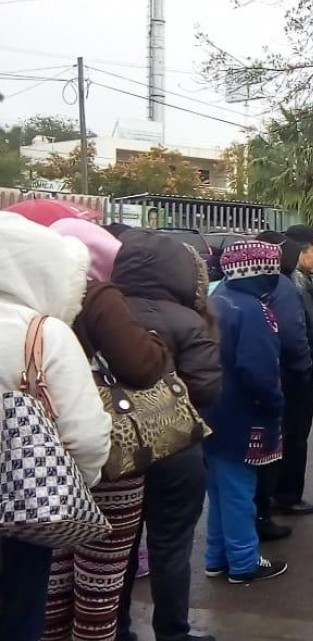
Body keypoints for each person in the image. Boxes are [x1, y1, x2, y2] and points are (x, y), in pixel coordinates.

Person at [39, 219, 169, 641]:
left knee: (54, 574)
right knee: (100, 578)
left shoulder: (28, 303)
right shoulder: (98, 295)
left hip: (39, 459)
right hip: (105, 456)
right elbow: (141, 365)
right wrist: (153, 339)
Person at [0, 213, 112, 641]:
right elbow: (85, 436)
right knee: (19, 612)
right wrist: (68, 485)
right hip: (21, 511)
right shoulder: (44, 333)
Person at [113, 230, 223, 641]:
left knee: (117, 545)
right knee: (172, 544)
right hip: (177, 447)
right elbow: (207, 388)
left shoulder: (97, 312)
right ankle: (172, 632)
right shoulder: (188, 319)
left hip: (114, 449)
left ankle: (116, 627)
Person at [200, 240, 288, 584]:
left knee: (221, 492)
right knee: (240, 493)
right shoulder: (252, 309)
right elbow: (259, 371)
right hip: (242, 416)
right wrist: (276, 406)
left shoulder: (216, 300)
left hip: (211, 414)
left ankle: (216, 557)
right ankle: (243, 563)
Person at [250, 230, 312, 540]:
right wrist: (303, 370)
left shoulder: (229, 292)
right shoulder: (282, 286)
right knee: (282, 440)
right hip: (285, 376)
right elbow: (292, 337)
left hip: (254, 380)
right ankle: (274, 504)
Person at [277, 224, 313, 513]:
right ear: (299, 252)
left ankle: (277, 494)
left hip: (280, 371)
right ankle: (289, 496)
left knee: (283, 435)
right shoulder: (297, 282)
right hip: (296, 374)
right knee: (296, 434)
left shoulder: (279, 279)